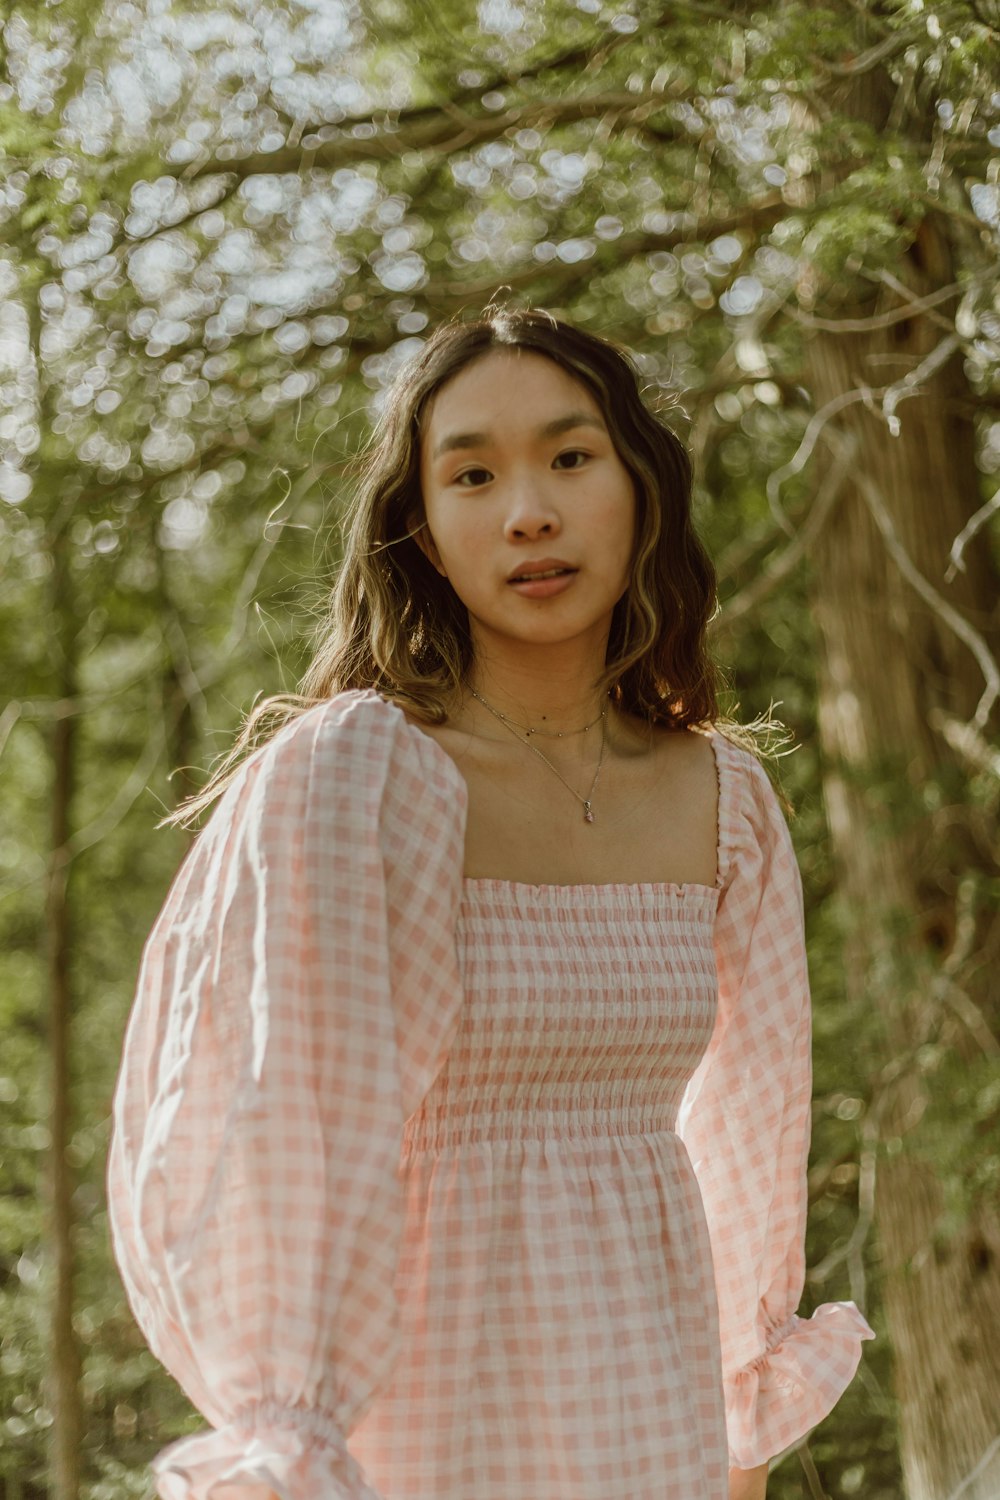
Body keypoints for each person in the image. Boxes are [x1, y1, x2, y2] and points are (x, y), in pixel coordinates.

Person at [106, 307, 874, 1500]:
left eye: (570, 458)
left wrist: (742, 1436)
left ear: (640, 488)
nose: (528, 511)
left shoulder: (723, 797)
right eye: (473, 473)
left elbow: (747, 1140)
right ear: (423, 526)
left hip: (647, 1404)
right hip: (421, 1418)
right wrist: (287, 1432)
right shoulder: (360, 778)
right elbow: (278, 1130)